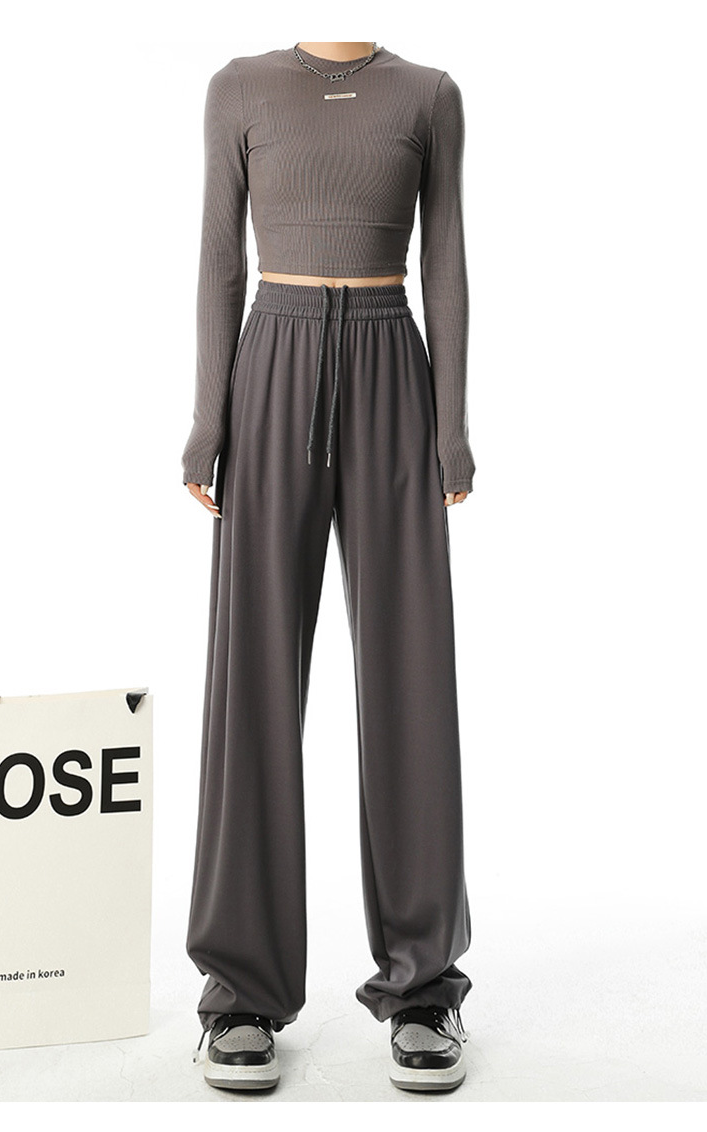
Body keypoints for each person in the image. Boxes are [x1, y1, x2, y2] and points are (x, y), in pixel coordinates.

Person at [183, 40, 476, 1094]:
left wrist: (451, 426)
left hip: (394, 364)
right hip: (272, 361)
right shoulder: (240, 88)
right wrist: (208, 418)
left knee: (409, 675)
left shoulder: (429, 95)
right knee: (254, 676)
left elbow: (445, 259)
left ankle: (424, 985)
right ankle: (241, 992)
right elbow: (220, 259)